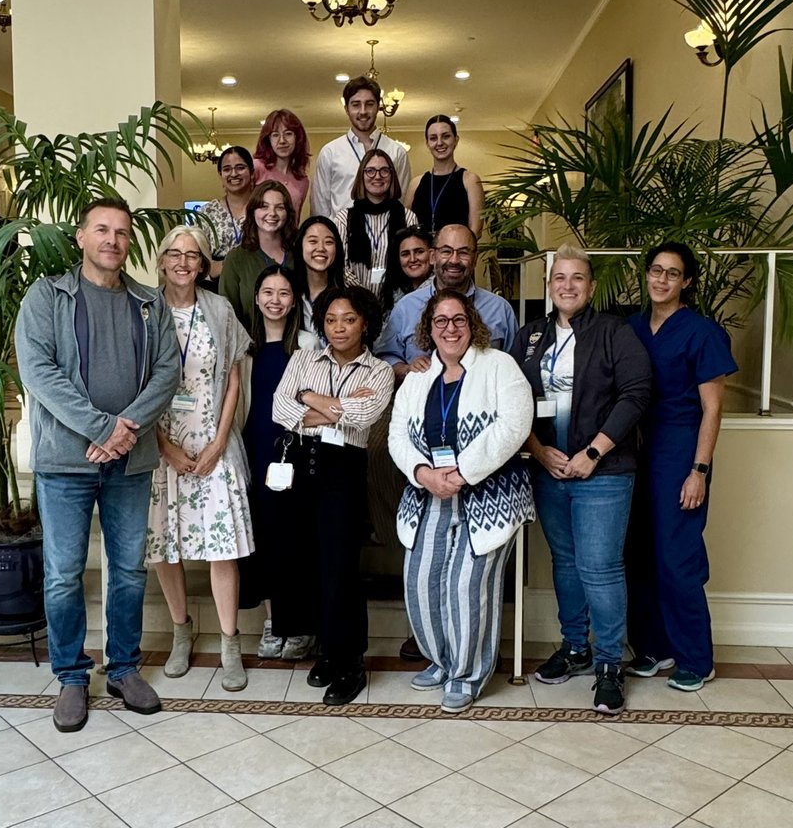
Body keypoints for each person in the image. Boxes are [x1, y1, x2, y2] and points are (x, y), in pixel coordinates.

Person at [15, 198, 180, 733]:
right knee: (64, 574)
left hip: (130, 462)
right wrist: (101, 427)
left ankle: (124, 667)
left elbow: (167, 373)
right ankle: (70, 675)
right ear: (81, 237)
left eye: (123, 232)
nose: (113, 240)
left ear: (131, 243)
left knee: (129, 570)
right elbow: (39, 371)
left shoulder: (150, 303)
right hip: (65, 461)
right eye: (102, 230)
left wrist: (123, 428)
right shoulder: (47, 295)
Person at [511, 245, 652, 716]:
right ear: (549, 287)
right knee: (566, 563)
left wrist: (593, 452)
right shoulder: (530, 335)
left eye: (577, 279)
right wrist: (537, 449)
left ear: (590, 288)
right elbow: (510, 400)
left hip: (604, 472)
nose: (567, 286)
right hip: (549, 469)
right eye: (559, 279)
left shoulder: (615, 332)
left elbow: (636, 395)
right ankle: (576, 647)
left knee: (600, 567)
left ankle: (610, 663)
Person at [388, 293, 534, 712]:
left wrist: (464, 472)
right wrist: (423, 474)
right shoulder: (419, 375)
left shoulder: (498, 365)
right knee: (420, 581)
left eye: (458, 320)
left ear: (471, 323)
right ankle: (442, 659)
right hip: (429, 492)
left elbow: (514, 424)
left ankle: (468, 674)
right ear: (428, 329)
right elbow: (398, 435)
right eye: (440, 321)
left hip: (488, 494)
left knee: (466, 586)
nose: (449, 329)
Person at [271, 286, 394, 706]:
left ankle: (350, 663)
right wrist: (328, 403)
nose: (339, 327)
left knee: (340, 569)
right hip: (301, 467)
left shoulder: (377, 370)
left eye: (349, 319)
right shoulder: (304, 358)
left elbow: (362, 417)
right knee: (307, 562)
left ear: (366, 324)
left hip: (343, 471)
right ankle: (326, 650)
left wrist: (310, 399)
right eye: (330, 319)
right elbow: (278, 407)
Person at [626, 242, 737, 693]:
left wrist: (700, 470)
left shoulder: (702, 332)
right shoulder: (632, 327)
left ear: (686, 282)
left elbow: (713, 410)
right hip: (636, 452)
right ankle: (654, 648)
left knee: (677, 558)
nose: (661, 280)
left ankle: (696, 657)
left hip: (679, 454)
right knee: (640, 555)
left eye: (672, 273)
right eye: (656, 270)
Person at [146, 226, 253, 691]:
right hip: (161, 446)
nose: (184, 262)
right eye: (175, 253)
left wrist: (217, 443)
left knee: (222, 546)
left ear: (205, 264)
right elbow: (134, 385)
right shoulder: (143, 310)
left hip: (213, 442)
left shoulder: (221, 309)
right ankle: (181, 632)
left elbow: (233, 381)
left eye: (194, 255)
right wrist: (164, 447)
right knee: (165, 548)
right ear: (162, 261)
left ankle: (230, 644)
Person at [239, 265, 305, 660]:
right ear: (257, 297)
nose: (275, 300)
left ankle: (295, 624)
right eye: (268, 292)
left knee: (293, 537)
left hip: (294, 454)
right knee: (261, 537)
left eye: (283, 293)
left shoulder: (307, 347)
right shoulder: (244, 349)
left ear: (294, 300)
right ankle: (271, 622)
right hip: (255, 450)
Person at [378, 224, 518, 379]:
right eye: (446, 251)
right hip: (423, 400)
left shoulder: (500, 309)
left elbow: (514, 365)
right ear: (432, 256)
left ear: (475, 258)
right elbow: (385, 359)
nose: (454, 260)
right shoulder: (406, 308)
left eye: (463, 252)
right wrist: (407, 369)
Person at [310, 76, 412, 219]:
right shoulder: (330, 152)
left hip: (386, 237)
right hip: (341, 237)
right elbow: (320, 207)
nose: (363, 111)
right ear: (346, 108)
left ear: (378, 106)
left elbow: (401, 200)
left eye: (369, 104)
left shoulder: (396, 152)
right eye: (356, 104)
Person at [334, 149, 417, 300]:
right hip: (355, 301)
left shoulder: (408, 218)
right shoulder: (343, 219)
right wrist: (363, 297)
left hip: (398, 301)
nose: (377, 176)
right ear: (362, 175)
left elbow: (412, 263)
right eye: (370, 171)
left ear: (392, 175)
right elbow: (340, 265)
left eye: (384, 171)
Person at [219, 179, 296, 331]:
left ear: (287, 213)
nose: (272, 213)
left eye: (279, 207)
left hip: (298, 345)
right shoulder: (236, 259)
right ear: (252, 211)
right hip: (250, 347)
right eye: (264, 206)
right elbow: (227, 314)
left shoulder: (299, 255)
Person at [406, 116, 485, 238]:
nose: (439, 142)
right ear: (427, 143)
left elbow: (475, 230)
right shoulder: (415, 183)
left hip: (455, 254)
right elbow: (406, 228)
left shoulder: (470, 180)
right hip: (422, 255)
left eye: (446, 136)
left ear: (456, 140)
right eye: (433, 138)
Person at [197, 146, 256, 281]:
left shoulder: (263, 209)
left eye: (240, 167)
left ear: (252, 172)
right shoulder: (207, 212)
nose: (234, 174)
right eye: (227, 169)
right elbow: (195, 256)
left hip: (257, 284)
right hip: (215, 287)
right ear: (220, 174)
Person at [292, 215, 351, 344]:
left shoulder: (349, 293)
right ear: (300, 246)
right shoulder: (289, 291)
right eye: (313, 241)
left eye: (329, 242)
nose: (321, 248)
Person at [253, 109, 311, 220]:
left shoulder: (302, 181)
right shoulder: (256, 167)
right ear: (268, 140)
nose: (282, 141)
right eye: (275, 135)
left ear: (297, 138)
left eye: (288, 134)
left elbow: (296, 220)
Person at [383, 225, 432, 312]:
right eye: (405, 254)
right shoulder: (393, 293)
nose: (412, 259)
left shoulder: (441, 289)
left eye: (419, 252)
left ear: (432, 255)